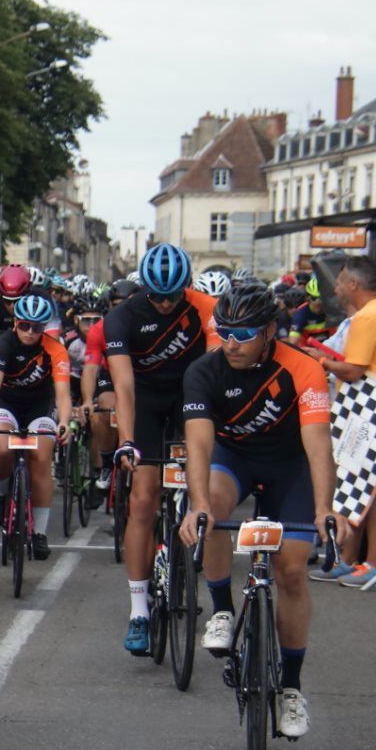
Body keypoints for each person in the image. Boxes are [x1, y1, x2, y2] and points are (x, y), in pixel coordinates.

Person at [179, 280, 336, 738]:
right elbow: (199, 444)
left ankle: (290, 688)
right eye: (224, 331)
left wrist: (325, 507)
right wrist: (199, 505)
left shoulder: (304, 370)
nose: (231, 343)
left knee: (290, 572)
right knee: (213, 509)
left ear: (270, 330)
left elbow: (318, 444)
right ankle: (223, 610)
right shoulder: (204, 372)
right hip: (235, 459)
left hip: (292, 467)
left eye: (244, 334)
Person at [104, 242, 217, 655]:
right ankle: (138, 609)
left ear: (186, 288)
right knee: (143, 501)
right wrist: (127, 442)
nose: (166, 304)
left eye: (173, 296)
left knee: (201, 471)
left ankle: (189, 526)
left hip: (192, 397)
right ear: (144, 290)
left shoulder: (205, 307)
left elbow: (216, 370)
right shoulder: (123, 316)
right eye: (157, 296)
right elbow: (125, 387)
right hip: (147, 402)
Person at [304, 256, 376, 584]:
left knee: (370, 493)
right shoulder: (373, 314)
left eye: (340, 281)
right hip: (369, 410)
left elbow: (353, 369)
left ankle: (373, 565)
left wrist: (323, 362)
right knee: (358, 489)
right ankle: (349, 559)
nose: (335, 287)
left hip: (374, 410)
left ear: (354, 285)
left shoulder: (368, 318)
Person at [0, 293, 73, 561]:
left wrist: (65, 422)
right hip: (7, 402)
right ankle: (0, 495)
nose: (30, 332)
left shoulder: (55, 349)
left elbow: (62, 392)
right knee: (1, 448)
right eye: (24, 325)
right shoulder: (4, 345)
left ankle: (40, 533)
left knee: (41, 458)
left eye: (37, 327)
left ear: (44, 327)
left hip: (39, 405)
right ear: (15, 323)